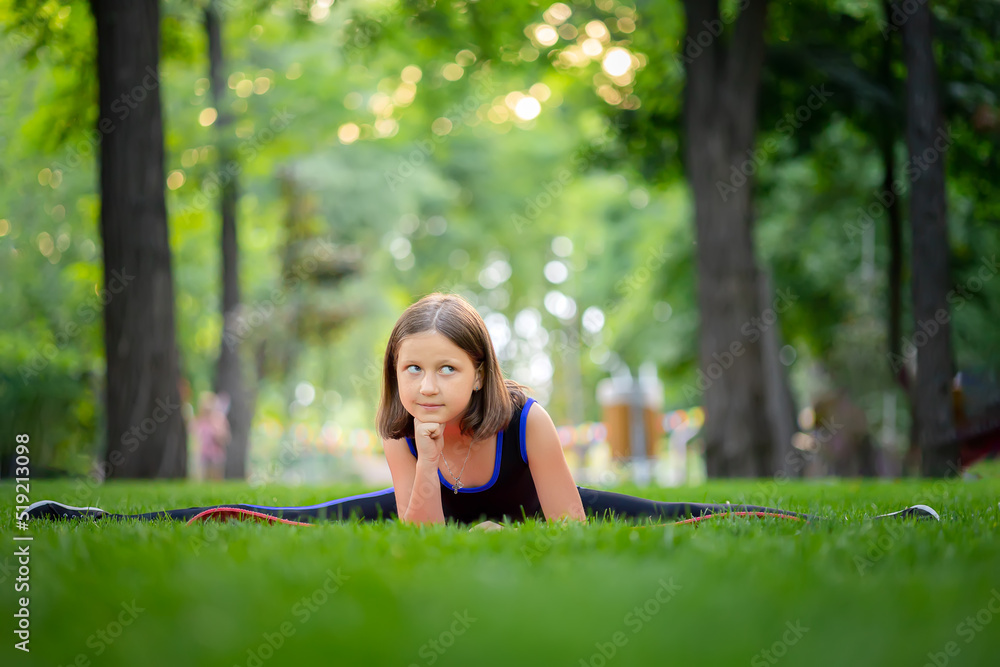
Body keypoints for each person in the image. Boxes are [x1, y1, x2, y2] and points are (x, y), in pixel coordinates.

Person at [24, 293, 939, 526]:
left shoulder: (526, 420)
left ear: (478, 374)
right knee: (286, 515)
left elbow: (573, 530)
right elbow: (420, 536)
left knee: (674, 510)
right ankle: (78, 510)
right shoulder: (402, 425)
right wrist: (421, 454)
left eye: (444, 371)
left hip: (534, 502)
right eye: (410, 368)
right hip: (429, 494)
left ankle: (892, 514)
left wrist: (511, 533)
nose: (425, 385)